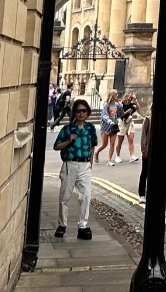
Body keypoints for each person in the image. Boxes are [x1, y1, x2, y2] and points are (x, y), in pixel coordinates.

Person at [53, 98, 97, 240]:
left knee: (85, 196)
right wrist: (68, 140)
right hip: (69, 164)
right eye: (78, 111)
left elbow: (92, 146)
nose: (81, 113)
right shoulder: (67, 129)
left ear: (88, 113)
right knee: (64, 196)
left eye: (84, 111)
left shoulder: (91, 128)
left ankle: (83, 226)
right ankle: (62, 225)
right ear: (74, 113)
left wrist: (90, 164)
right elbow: (56, 146)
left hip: (85, 165)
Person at [95, 90, 120, 165]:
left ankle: (109, 160)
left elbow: (119, 113)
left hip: (113, 126)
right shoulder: (106, 104)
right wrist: (109, 121)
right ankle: (96, 152)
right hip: (106, 126)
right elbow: (104, 115)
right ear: (112, 95)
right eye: (116, 94)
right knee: (104, 144)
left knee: (112, 143)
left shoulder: (116, 104)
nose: (117, 95)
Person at [120, 92, 141, 162]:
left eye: (131, 98)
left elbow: (138, 107)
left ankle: (132, 156)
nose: (130, 99)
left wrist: (135, 100)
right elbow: (120, 115)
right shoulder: (121, 104)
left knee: (131, 139)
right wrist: (126, 112)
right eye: (129, 97)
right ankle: (117, 155)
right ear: (125, 96)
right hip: (123, 122)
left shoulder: (132, 105)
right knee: (120, 141)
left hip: (130, 123)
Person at [137, 105, 152, 204]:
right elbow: (143, 136)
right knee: (144, 173)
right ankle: (142, 194)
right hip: (148, 151)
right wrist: (144, 150)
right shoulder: (147, 120)